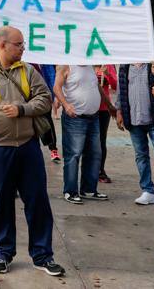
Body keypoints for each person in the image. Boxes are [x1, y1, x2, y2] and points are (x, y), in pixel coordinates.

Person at [0, 27, 64, 277]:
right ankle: (3, 253)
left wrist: (22, 109)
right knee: (1, 203)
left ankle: (42, 255)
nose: (23, 48)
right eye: (18, 44)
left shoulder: (29, 70)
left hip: (28, 147)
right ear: (3, 45)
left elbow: (45, 99)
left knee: (37, 201)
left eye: (23, 44)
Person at [117, 60, 154, 208]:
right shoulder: (124, 67)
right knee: (141, 155)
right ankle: (148, 191)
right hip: (133, 119)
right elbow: (121, 90)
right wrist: (119, 111)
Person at [54, 64, 109, 204]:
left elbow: (97, 87)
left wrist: (110, 106)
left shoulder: (90, 66)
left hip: (93, 117)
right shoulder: (66, 65)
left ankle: (89, 189)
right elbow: (56, 87)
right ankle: (70, 191)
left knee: (95, 153)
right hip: (75, 118)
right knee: (73, 154)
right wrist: (66, 105)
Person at [30, 63, 61, 162]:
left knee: (47, 123)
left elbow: (51, 77)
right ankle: (35, 151)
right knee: (30, 126)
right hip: (28, 99)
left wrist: (56, 96)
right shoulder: (24, 62)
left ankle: (53, 149)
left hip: (44, 97)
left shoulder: (45, 63)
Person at [95, 65, 118, 183]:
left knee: (101, 141)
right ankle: (90, 170)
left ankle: (100, 170)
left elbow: (115, 86)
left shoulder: (108, 65)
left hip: (104, 109)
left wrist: (108, 75)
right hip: (87, 109)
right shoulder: (84, 62)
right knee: (88, 142)